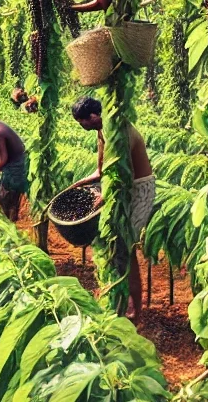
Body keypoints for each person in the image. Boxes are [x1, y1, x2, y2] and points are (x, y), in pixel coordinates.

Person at [68, 95, 156, 320]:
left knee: (126, 251)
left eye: (82, 121)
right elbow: (101, 172)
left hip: (137, 191)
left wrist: (105, 196)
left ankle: (136, 311)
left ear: (94, 116)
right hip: (118, 190)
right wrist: (80, 183)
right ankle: (118, 300)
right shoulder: (102, 131)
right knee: (112, 247)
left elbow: (124, 178)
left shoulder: (119, 132)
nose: (81, 126)